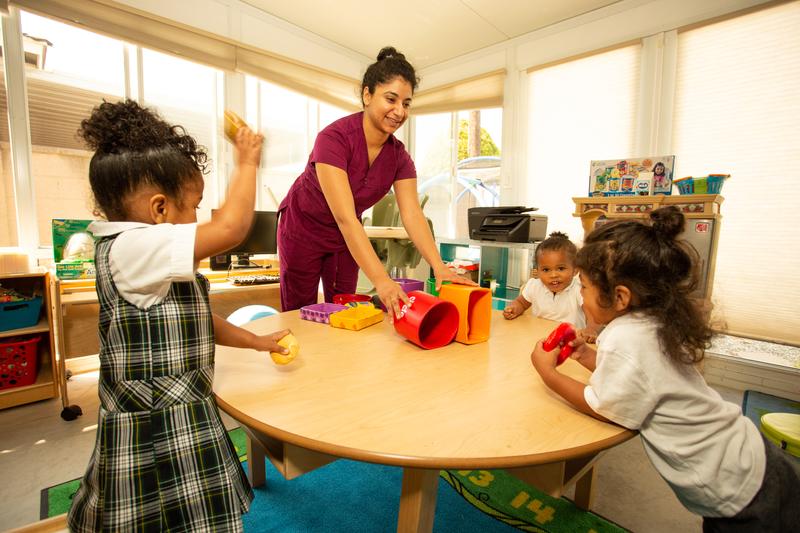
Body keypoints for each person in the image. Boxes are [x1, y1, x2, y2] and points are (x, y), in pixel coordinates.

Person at [68, 99, 291, 532]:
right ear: (159, 210)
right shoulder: (132, 248)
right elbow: (231, 229)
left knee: (194, 517)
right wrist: (247, 162)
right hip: (154, 425)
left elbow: (196, 318)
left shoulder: (151, 258)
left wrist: (255, 341)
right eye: (193, 206)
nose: (196, 220)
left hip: (184, 412)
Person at [530, 207, 799, 531]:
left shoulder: (624, 338)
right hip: (756, 461)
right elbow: (644, 377)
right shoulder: (649, 323)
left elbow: (606, 408)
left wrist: (548, 374)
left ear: (620, 297)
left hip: (740, 495)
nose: (581, 296)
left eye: (584, 287)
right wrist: (588, 356)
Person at [277, 46, 474, 318]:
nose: (399, 111)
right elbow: (345, 217)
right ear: (367, 95)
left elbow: (413, 214)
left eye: (406, 103)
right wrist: (382, 280)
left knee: (346, 307)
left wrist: (439, 266)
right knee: (300, 312)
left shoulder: (399, 157)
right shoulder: (333, 139)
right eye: (391, 99)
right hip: (303, 229)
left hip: (346, 238)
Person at [503, 232, 595, 338]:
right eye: (546, 270)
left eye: (561, 268)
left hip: (570, 340)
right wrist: (514, 309)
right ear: (537, 271)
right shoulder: (534, 285)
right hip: (539, 338)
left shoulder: (579, 289)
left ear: (575, 270)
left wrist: (591, 329)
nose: (553, 275)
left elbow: (592, 314)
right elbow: (521, 303)